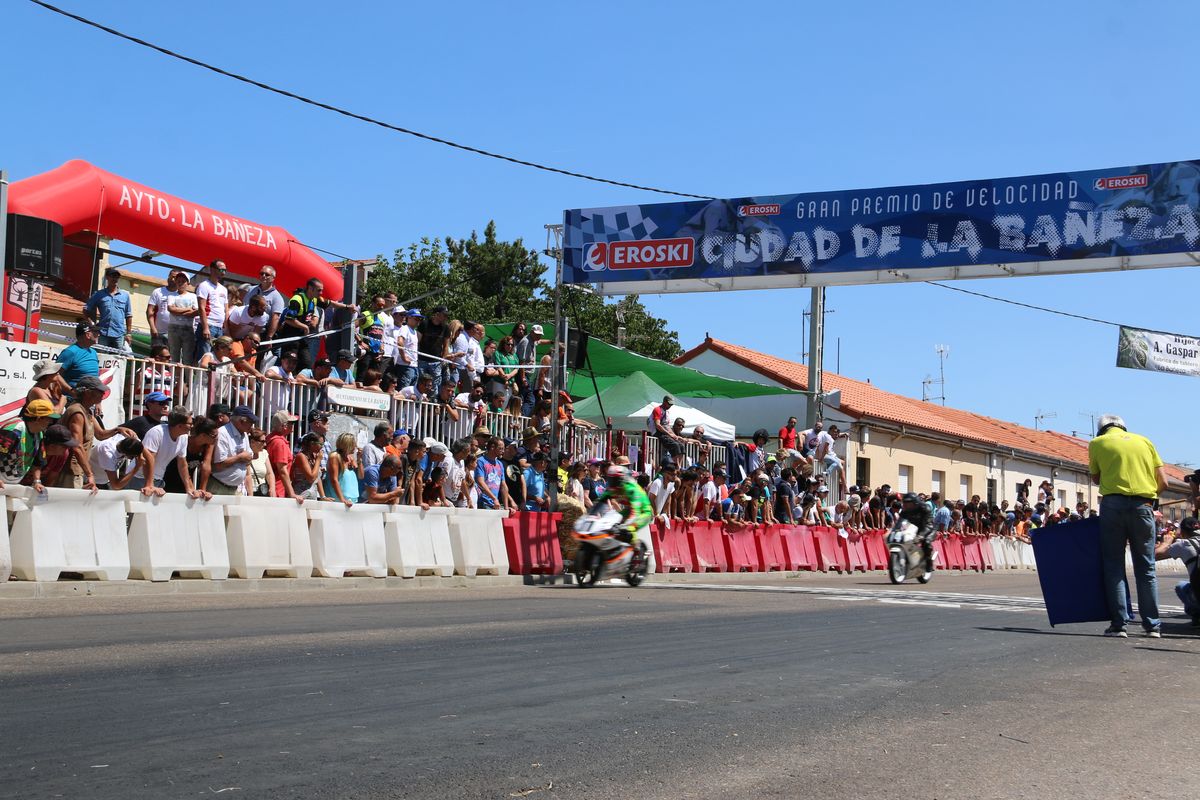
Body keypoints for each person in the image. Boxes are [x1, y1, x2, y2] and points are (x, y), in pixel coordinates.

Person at [1088, 414, 1167, 638]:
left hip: (1113, 505)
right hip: (1143, 505)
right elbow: (1164, 481)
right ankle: (1152, 626)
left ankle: (1119, 625)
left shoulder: (1097, 443)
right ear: (1124, 427)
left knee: (1114, 566)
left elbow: (1095, 478)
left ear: (1102, 430)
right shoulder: (1144, 441)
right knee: (1146, 568)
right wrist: (1149, 500)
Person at [60, 376, 134, 489]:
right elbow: (77, 446)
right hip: (70, 470)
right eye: (99, 391)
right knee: (70, 505)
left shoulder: (86, 411)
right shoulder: (77, 413)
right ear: (88, 392)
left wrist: (118, 430)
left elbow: (100, 435)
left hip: (78, 469)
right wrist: (90, 474)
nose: (103, 394)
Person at [142, 406, 207, 497]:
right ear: (179, 425)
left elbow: (182, 464)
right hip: (141, 479)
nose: (192, 426)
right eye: (190, 423)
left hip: (158, 480)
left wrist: (189, 488)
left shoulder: (183, 437)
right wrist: (149, 485)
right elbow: (147, 460)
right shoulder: (157, 433)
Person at [1154, 516, 1200, 625]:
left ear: (1183, 532)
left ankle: (1197, 614)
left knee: (1181, 586)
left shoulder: (1183, 544)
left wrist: (1166, 543)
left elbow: (1155, 555)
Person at [0, 399, 60, 483]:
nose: (51, 422)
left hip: (13, 482)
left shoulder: (39, 434)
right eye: (49, 418)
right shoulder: (13, 430)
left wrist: (37, 481)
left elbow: (38, 462)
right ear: (38, 419)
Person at [163, 416, 218, 495]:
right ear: (203, 435)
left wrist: (203, 490)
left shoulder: (208, 445)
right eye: (214, 436)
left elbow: (206, 466)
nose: (216, 439)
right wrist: (191, 488)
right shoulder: (184, 442)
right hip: (169, 480)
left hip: (185, 484)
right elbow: (183, 466)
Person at [210, 405, 257, 495]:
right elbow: (219, 464)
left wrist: (243, 457)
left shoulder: (244, 435)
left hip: (234, 489)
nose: (252, 426)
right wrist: (240, 457)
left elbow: (249, 457)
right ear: (241, 421)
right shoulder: (223, 433)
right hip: (219, 487)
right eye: (251, 422)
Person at [26, 424, 87, 492]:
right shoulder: (34, 449)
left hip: (37, 487)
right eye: (65, 446)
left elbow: (51, 478)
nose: (68, 448)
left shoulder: (63, 454)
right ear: (52, 446)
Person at [84, 267, 134, 351]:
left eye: (117, 277)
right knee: (101, 357)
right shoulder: (99, 294)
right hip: (103, 334)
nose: (115, 278)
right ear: (107, 277)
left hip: (119, 334)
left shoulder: (125, 295)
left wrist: (129, 333)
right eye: (112, 276)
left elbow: (128, 315)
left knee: (117, 360)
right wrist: (91, 324)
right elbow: (86, 309)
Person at [89, 433, 155, 492]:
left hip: (105, 480)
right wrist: (137, 467)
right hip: (94, 482)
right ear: (126, 455)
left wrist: (149, 484)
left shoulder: (130, 438)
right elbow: (116, 485)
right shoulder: (108, 454)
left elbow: (149, 457)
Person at [242, 265, 287, 348]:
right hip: (244, 329)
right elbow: (243, 306)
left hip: (260, 334)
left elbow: (275, 318)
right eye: (262, 273)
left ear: (273, 278)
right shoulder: (251, 289)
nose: (263, 276)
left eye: (267, 274)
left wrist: (269, 337)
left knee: (254, 359)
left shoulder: (277, 297)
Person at [195, 259, 229, 359]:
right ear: (212, 270)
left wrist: (225, 328)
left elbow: (226, 309)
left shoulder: (224, 289)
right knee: (204, 356)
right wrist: (205, 328)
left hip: (219, 328)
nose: (223, 272)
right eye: (221, 269)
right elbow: (201, 307)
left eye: (225, 270)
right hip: (209, 325)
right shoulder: (204, 286)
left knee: (217, 357)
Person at [267, 410, 303, 504]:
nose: (293, 425)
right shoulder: (279, 443)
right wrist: (292, 494)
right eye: (291, 423)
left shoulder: (270, 439)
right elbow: (282, 470)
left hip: (274, 489)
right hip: (278, 491)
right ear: (284, 426)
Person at [166, 272, 199, 364]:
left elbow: (195, 312)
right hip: (174, 327)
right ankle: (174, 377)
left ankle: (187, 378)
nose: (180, 283)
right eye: (178, 281)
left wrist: (178, 311)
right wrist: (188, 309)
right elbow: (171, 309)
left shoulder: (193, 296)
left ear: (188, 283)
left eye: (183, 281)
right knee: (173, 355)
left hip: (188, 328)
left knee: (188, 356)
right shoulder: (171, 295)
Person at [146, 269, 184, 349]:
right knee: (157, 357)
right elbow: (150, 310)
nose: (173, 279)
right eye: (172, 277)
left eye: (175, 278)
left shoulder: (181, 295)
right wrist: (153, 328)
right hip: (158, 333)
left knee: (172, 359)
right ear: (168, 278)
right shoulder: (158, 292)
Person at [898, 491, 936, 570]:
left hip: (928, 529)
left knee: (926, 542)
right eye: (905, 502)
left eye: (909, 502)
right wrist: (895, 530)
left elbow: (929, 524)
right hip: (914, 529)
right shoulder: (905, 511)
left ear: (915, 502)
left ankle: (929, 562)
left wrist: (921, 535)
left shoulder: (925, 508)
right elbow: (899, 522)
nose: (906, 504)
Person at [475, 436, 514, 511]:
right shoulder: (481, 461)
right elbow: (480, 482)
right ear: (492, 447)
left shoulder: (500, 464)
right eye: (500, 448)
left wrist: (506, 506)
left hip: (495, 504)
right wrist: (494, 498)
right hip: (483, 502)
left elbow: (503, 486)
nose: (503, 451)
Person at [324, 432, 362, 507]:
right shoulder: (334, 456)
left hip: (352, 498)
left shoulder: (351, 458)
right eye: (354, 444)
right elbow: (334, 480)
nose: (355, 446)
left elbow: (361, 476)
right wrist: (342, 500)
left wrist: (359, 459)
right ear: (347, 445)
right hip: (338, 500)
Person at [57, 322, 101, 387]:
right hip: (73, 396)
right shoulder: (70, 352)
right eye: (95, 332)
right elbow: (56, 375)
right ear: (88, 335)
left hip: (91, 395)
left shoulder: (93, 352)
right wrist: (71, 392)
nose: (99, 334)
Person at [290, 432, 327, 501]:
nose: (322, 447)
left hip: (312, 496)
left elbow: (317, 478)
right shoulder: (301, 456)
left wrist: (323, 497)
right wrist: (318, 461)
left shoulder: (313, 457)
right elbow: (311, 478)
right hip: (301, 496)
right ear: (312, 444)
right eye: (321, 444)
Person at [647, 395, 682, 462]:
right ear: (664, 402)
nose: (670, 405)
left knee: (681, 445)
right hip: (656, 432)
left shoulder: (667, 412)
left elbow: (667, 426)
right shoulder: (657, 409)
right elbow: (658, 425)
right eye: (669, 404)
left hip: (663, 432)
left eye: (671, 404)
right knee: (675, 445)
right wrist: (670, 434)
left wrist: (674, 435)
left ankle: (679, 466)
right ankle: (675, 465)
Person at [393, 308, 422, 388]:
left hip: (414, 366)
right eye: (416, 318)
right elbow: (400, 342)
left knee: (411, 391)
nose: (418, 321)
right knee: (403, 390)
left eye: (420, 319)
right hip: (405, 366)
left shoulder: (414, 332)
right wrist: (404, 357)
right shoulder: (405, 328)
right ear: (408, 318)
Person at [245, 428, 274, 497]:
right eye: (263, 441)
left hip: (262, 492)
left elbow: (270, 473)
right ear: (252, 442)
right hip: (248, 493)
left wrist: (272, 489)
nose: (265, 444)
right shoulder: (245, 455)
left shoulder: (264, 453)